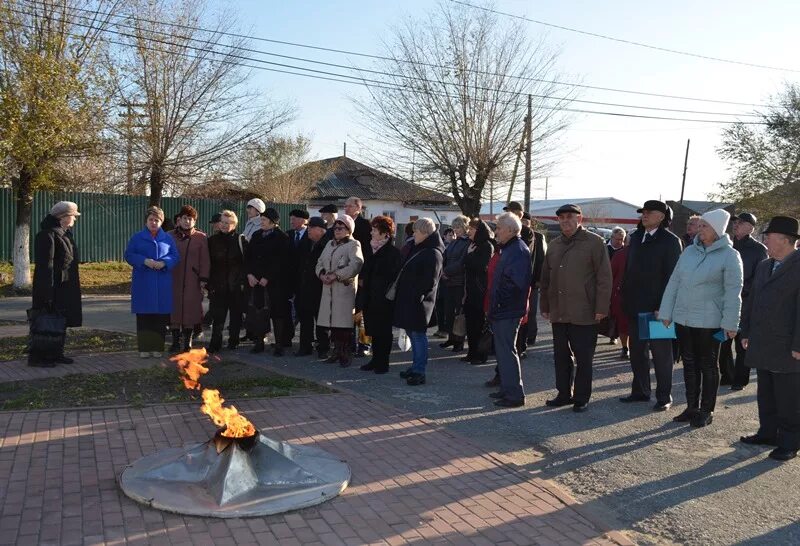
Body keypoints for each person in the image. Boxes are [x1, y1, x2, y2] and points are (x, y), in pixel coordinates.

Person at [659, 209, 743, 427]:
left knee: (708, 365)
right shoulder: (689, 252)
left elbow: (734, 292)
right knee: (688, 364)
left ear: (717, 230)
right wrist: (666, 312)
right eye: (700, 225)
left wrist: (730, 323)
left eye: (704, 226)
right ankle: (691, 407)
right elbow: (674, 282)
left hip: (709, 322)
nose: (699, 229)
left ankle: (707, 410)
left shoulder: (730, 256)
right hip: (683, 319)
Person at [540, 203, 612, 413]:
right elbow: (545, 279)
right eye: (561, 218)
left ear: (579, 219)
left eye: (570, 217)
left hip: (585, 311)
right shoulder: (554, 245)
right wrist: (545, 305)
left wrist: (601, 307)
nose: (565, 221)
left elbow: (604, 278)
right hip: (559, 311)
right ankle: (564, 394)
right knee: (560, 356)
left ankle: (581, 397)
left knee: (583, 357)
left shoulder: (594, 242)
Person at [739, 216, 800, 462]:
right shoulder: (765, 265)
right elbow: (752, 301)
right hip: (763, 341)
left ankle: (789, 442)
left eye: (770, 236)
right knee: (766, 393)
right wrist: (746, 331)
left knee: (788, 399)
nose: (765, 240)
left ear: (786, 240)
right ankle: (767, 433)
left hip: (787, 346)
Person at [619, 200, 683, 411]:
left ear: (661, 217)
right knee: (637, 352)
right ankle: (640, 391)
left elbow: (673, 278)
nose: (644, 215)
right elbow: (630, 271)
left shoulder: (670, 241)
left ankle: (664, 397)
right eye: (642, 212)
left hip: (658, 309)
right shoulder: (636, 238)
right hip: (635, 306)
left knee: (662, 355)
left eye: (649, 212)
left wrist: (664, 306)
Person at [29, 201, 83, 366]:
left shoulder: (65, 234)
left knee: (60, 322)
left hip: (65, 287)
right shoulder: (47, 235)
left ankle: (56, 353)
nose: (75, 219)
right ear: (63, 217)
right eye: (73, 216)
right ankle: (39, 358)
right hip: (52, 288)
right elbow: (46, 267)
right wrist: (47, 293)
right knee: (45, 322)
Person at [486, 213, 532, 408]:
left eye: (499, 228)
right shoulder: (510, 248)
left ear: (511, 230)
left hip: (507, 310)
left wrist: (498, 304)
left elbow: (516, 284)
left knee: (507, 352)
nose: (496, 231)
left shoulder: (517, 250)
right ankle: (507, 389)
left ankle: (514, 395)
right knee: (503, 352)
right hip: (504, 309)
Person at [394, 218, 445, 386]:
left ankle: (419, 370)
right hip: (411, 299)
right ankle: (415, 365)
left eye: (416, 231)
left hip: (420, 302)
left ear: (424, 232)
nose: (413, 233)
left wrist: (417, 296)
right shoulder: (421, 248)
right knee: (412, 334)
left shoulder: (433, 252)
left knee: (418, 336)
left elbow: (430, 282)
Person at [720, 212, 768, 389]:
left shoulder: (758, 249)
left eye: (741, 222)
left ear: (751, 227)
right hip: (723, 301)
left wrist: (741, 291)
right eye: (735, 222)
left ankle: (740, 379)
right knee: (723, 342)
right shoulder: (727, 245)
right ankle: (726, 375)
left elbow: (760, 278)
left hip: (745, 302)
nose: (736, 225)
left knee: (742, 343)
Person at [124, 207, 180, 358]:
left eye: (157, 220)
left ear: (161, 222)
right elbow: (129, 255)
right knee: (144, 317)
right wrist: (144, 261)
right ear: (146, 221)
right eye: (151, 220)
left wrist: (164, 263)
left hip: (162, 282)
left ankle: (157, 347)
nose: (153, 223)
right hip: (143, 282)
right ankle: (144, 348)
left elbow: (175, 256)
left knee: (160, 318)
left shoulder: (168, 238)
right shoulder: (137, 237)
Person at [316, 214, 364, 366]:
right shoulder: (329, 244)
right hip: (328, 290)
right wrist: (322, 274)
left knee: (343, 324)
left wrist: (336, 275)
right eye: (335, 228)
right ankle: (336, 351)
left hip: (343, 290)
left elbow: (356, 264)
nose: (337, 230)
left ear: (349, 229)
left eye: (341, 228)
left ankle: (346, 353)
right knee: (332, 323)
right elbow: (319, 262)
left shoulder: (353, 244)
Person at [357, 215, 403, 374]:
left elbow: (393, 277)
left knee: (383, 331)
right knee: (373, 330)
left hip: (384, 299)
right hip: (370, 296)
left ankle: (383, 362)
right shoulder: (371, 249)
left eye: (375, 230)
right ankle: (375, 359)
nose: (371, 233)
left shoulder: (392, 253)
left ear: (385, 234)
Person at [245, 207, 292, 355]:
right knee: (258, 313)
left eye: (264, 220)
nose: (262, 222)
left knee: (278, 314)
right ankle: (259, 342)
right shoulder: (257, 235)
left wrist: (268, 277)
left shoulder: (282, 238)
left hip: (276, 284)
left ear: (273, 222)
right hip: (257, 282)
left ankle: (279, 344)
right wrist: (250, 274)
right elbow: (248, 257)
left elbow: (282, 261)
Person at [167, 205, 210, 352]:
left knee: (190, 310)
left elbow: (205, 260)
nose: (187, 221)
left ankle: (188, 341)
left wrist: (203, 278)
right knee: (174, 308)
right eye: (185, 218)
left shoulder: (201, 237)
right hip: (173, 278)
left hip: (193, 279)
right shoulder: (169, 235)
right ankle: (174, 341)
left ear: (195, 221)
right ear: (179, 219)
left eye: (190, 219)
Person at [206, 210, 246, 353]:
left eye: (227, 223)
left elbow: (245, 264)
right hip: (218, 285)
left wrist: (241, 282)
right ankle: (215, 343)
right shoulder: (211, 241)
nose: (224, 225)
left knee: (235, 316)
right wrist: (208, 283)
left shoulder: (241, 240)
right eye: (222, 222)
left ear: (234, 225)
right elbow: (208, 264)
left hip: (235, 286)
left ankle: (233, 341)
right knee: (218, 317)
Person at [295, 217, 331, 358]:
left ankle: (323, 348)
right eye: (308, 227)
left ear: (321, 230)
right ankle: (305, 346)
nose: (308, 229)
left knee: (321, 321)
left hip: (320, 287)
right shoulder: (305, 243)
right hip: (304, 287)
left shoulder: (327, 245)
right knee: (305, 318)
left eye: (312, 227)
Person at [462, 219, 494, 365]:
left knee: (478, 324)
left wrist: (469, 256)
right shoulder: (472, 245)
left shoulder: (487, 246)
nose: (469, 232)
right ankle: (471, 352)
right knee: (470, 324)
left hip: (480, 290)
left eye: (472, 229)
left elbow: (481, 267)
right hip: (470, 290)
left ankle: (480, 355)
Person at [439, 215, 470, 351]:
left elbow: (462, 262)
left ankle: (459, 341)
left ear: (465, 227)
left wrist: (446, 272)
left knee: (459, 314)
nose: (456, 230)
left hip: (459, 282)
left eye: (458, 227)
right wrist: (442, 271)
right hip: (449, 281)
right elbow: (445, 257)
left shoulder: (467, 242)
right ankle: (451, 338)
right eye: (454, 227)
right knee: (449, 312)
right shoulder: (454, 242)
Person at [285, 208, 311, 347]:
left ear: (303, 220)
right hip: (290, 280)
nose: (292, 221)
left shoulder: (310, 235)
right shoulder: (288, 235)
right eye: (291, 219)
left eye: (294, 219)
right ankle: (287, 339)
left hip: (305, 280)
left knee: (304, 312)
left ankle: (306, 343)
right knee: (289, 311)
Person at [609, 232, 631, 359]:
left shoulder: (619, 254)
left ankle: (625, 347)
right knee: (627, 324)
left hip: (620, 294)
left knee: (623, 324)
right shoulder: (620, 255)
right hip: (623, 294)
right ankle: (628, 347)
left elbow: (611, 274)